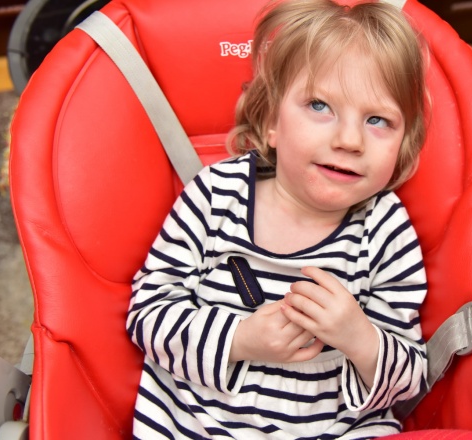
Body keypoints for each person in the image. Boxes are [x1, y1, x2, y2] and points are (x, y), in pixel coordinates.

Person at [126, 0, 429, 437]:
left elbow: (409, 379)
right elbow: (147, 313)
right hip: (194, 426)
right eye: (319, 106)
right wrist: (239, 339)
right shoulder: (215, 196)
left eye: (378, 119)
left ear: (401, 147)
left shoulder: (386, 232)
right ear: (272, 121)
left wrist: (359, 337)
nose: (349, 140)